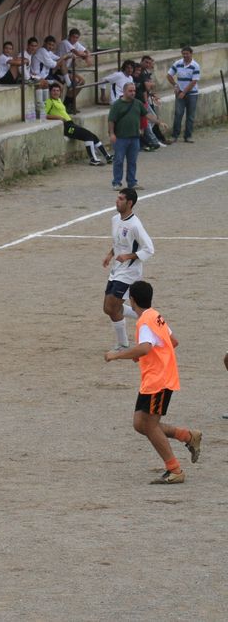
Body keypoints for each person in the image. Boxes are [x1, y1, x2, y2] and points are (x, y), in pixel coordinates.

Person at [104, 281, 201, 485]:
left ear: (132, 300)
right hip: (153, 380)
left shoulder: (144, 322)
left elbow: (145, 347)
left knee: (149, 425)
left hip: (159, 380)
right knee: (140, 424)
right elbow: (173, 341)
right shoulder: (155, 316)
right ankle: (187, 436)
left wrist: (117, 355)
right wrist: (145, 354)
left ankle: (175, 470)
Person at [102, 187, 153, 351]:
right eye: (117, 198)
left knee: (112, 307)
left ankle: (123, 344)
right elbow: (118, 242)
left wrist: (128, 257)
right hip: (117, 270)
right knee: (108, 308)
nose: (117, 201)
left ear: (129, 203)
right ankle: (145, 315)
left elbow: (149, 249)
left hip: (129, 272)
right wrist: (110, 254)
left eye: (121, 199)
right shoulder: (115, 219)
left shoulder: (135, 225)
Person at [44, 83, 112, 166]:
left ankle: (107, 157)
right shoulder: (49, 102)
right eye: (53, 91)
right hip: (66, 127)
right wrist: (59, 117)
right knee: (88, 136)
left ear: (60, 92)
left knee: (93, 136)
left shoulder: (59, 100)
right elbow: (44, 115)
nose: (56, 92)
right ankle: (93, 159)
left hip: (70, 124)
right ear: (50, 92)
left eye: (57, 91)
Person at [107, 83, 157, 190]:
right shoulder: (117, 105)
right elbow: (111, 120)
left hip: (134, 137)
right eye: (130, 91)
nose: (133, 93)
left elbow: (147, 115)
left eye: (134, 91)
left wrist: (159, 122)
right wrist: (112, 134)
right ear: (124, 91)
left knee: (132, 161)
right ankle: (117, 182)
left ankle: (132, 182)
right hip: (120, 138)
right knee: (119, 161)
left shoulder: (138, 103)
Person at [166, 45, 200, 143]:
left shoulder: (195, 65)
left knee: (190, 116)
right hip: (179, 92)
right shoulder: (178, 63)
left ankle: (188, 136)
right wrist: (175, 85)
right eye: (183, 54)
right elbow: (169, 75)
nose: (185, 55)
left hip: (192, 94)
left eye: (187, 54)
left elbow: (194, 81)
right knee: (178, 114)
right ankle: (175, 136)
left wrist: (184, 92)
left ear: (191, 54)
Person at [57, 28, 91, 114]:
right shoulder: (65, 43)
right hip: (58, 68)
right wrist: (85, 55)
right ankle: (66, 105)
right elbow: (77, 53)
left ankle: (70, 104)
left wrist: (87, 57)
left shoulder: (76, 43)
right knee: (75, 82)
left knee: (82, 82)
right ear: (69, 36)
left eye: (77, 38)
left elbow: (86, 51)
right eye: (73, 37)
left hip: (67, 69)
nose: (75, 39)